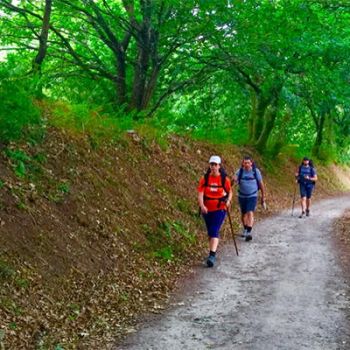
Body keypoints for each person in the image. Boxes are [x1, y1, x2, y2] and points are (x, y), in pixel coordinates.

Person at [198, 155, 232, 267]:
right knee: (210, 232)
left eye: (215, 165)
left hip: (220, 208)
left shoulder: (224, 179)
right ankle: (212, 252)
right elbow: (200, 193)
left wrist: (228, 201)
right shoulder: (205, 178)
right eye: (211, 164)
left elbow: (229, 192)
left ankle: (212, 255)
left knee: (214, 230)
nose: (213, 167)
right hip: (207, 209)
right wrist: (202, 205)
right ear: (209, 165)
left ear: (219, 166)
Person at [233, 156, 266, 241]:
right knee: (243, 214)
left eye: (248, 162)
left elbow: (261, 184)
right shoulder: (239, 171)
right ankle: (245, 228)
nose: (246, 164)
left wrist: (263, 197)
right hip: (241, 195)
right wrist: (233, 180)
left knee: (250, 212)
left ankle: (248, 231)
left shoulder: (255, 171)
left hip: (253, 195)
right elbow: (232, 182)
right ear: (243, 163)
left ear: (251, 163)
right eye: (245, 162)